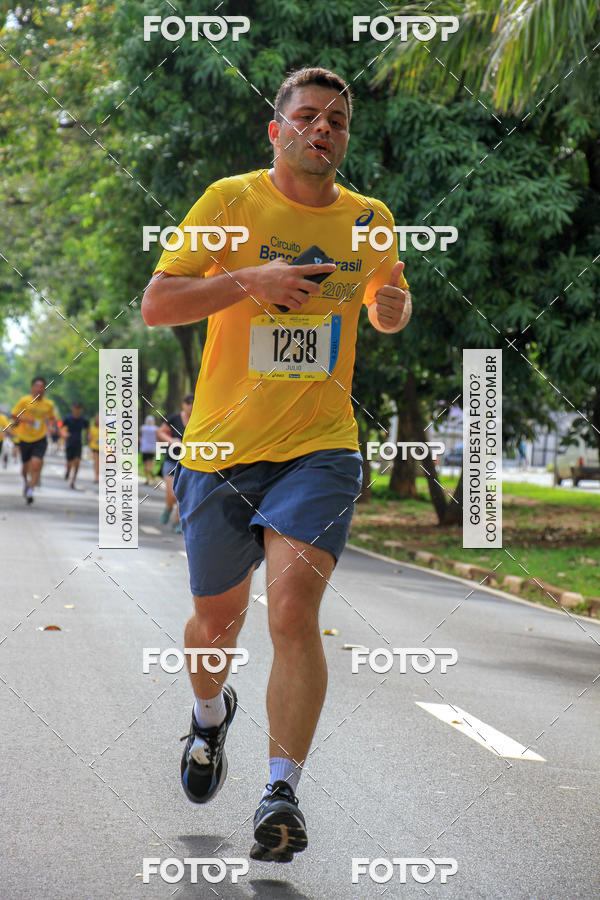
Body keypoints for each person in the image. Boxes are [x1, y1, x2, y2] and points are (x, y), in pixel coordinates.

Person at [141, 67, 411, 862]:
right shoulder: (230, 204)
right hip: (221, 449)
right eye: (306, 117)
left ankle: (280, 791)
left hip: (320, 448)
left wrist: (395, 309)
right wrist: (250, 280)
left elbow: (387, 301)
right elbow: (158, 303)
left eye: (336, 121)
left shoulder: (371, 221)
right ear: (277, 130)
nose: (321, 130)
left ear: (344, 137)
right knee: (215, 625)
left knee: (293, 608)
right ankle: (209, 716)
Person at [11, 376, 57, 504]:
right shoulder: (24, 401)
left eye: (42, 386)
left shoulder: (48, 404)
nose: (39, 389)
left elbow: (52, 418)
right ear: (32, 388)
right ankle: (26, 483)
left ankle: (31, 491)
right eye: (36, 386)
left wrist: (52, 427)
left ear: (45, 389)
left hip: (40, 438)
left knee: (36, 465)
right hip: (25, 438)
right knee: (25, 468)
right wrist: (26, 420)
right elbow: (14, 415)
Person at [156, 396, 193, 533]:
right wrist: (171, 440)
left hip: (187, 463)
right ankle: (168, 508)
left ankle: (177, 522)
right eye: (188, 403)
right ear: (183, 404)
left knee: (180, 495)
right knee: (171, 494)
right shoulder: (174, 418)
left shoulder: (197, 420)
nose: (190, 406)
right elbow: (160, 432)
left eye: (193, 404)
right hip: (171, 461)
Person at [61, 402, 89, 489]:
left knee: (77, 462)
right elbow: (61, 427)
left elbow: (88, 430)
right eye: (75, 408)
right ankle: (68, 472)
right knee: (69, 462)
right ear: (73, 409)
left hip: (78, 442)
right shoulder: (68, 418)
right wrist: (64, 433)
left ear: (81, 410)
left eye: (78, 408)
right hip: (69, 442)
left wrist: (88, 437)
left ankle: (73, 479)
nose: (77, 410)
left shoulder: (84, 419)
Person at [139, 414, 158, 484]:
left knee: (145, 464)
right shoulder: (155, 429)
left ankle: (147, 479)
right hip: (152, 448)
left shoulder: (143, 428)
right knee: (151, 461)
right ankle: (151, 473)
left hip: (144, 448)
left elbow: (140, 436)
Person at [88, 414, 100, 483]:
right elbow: (90, 438)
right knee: (96, 462)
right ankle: (96, 476)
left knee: (102, 462)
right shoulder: (93, 429)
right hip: (95, 447)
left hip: (103, 448)